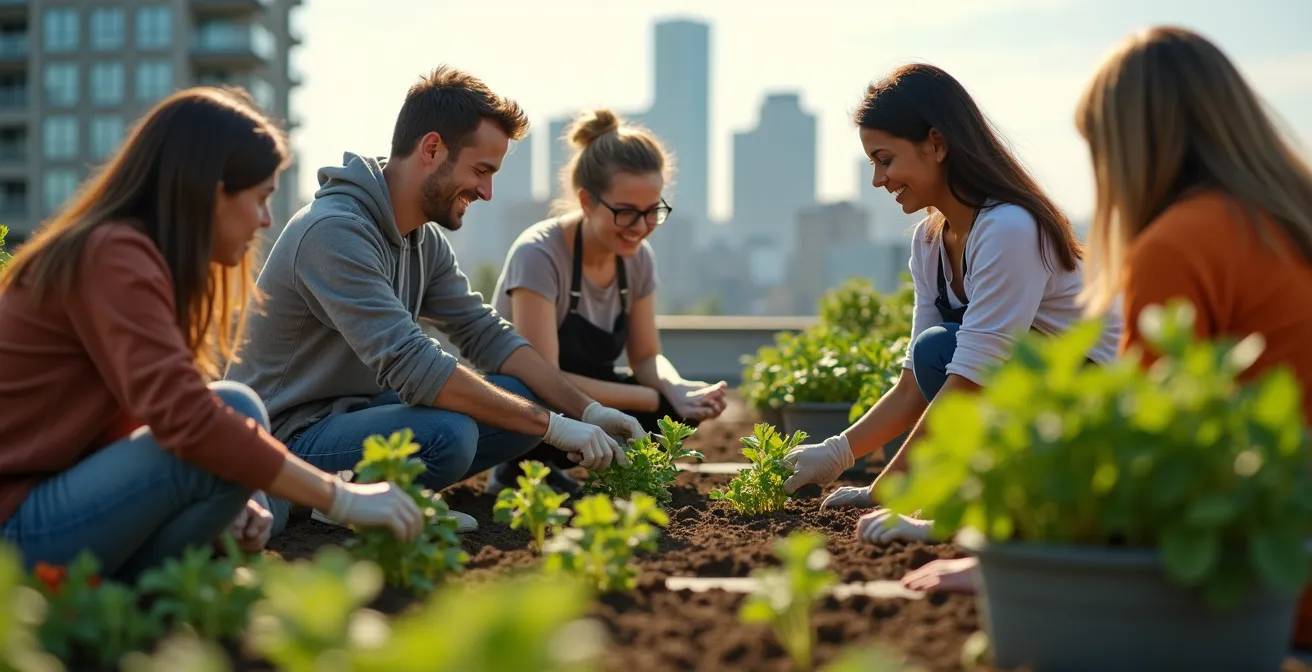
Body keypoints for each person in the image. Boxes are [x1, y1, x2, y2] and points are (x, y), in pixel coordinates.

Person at [901, 26, 1312, 598]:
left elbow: (1144, 456)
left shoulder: (1179, 245)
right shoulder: (1285, 222)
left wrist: (1017, 560)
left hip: (1268, 585)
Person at [0, 88, 421, 581]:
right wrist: (343, 497)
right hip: (14, 525)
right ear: (212, 190)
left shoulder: (134, 258)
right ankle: (117, 597)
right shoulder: (112, 256)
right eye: (261, 199)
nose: (267, 220)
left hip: (49, 504)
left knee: (230, 420)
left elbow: (140, 416)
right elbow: (188, 420)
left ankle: (142, 597)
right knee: (234, 412)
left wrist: (240, 496)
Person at [225, 66, 646, 536]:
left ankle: (377, 490)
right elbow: (412, 364)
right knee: (450, 435)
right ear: (431, 149)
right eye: (481, 170)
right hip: (289, 436)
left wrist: (585, 410)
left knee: (521, 397)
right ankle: (340, 499)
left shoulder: (421, 240)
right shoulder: (334, 231)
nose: (486, 191)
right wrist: (552, 427)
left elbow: (485, 333)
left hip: (356, 416)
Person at [780, 63, 1123, 541]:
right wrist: (839, 452)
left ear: (937, 144)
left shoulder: (1009, 229)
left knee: (944, 350)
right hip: (1040, 402)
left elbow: (972, 377)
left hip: (1098, 415)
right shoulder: (929, 242)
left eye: (885, 159)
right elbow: (913, 384)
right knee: (933, 352)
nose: (879, 179)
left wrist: (895, 490)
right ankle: (978, 502)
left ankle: (972, 516)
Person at [486, 109, 727, 490]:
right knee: (653, 403)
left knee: (676, 409)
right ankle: (517, 471)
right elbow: (545, 376)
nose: (641, 228)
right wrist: (650, 398)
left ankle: (604, 471)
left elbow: (646, 356)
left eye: (652, 212)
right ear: (586, 201)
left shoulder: (637, 259)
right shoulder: (539, 254)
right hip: (529, 399)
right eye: (627, 213)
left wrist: (676, 388)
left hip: (583, 394)